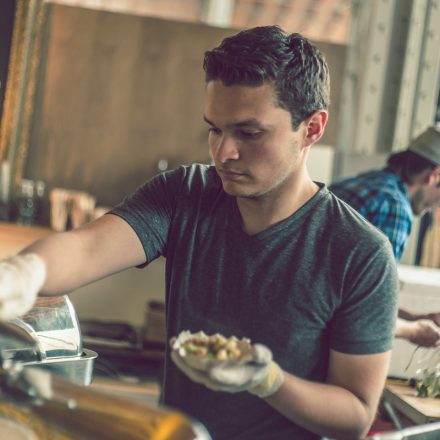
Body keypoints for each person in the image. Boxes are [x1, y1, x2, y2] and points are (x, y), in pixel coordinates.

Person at [0, 26, 398, 439]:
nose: (224, 152)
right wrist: (22, 272)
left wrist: (268, 381)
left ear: (312, 128)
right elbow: (85, 249)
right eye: (215, 129)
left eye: (249, 133)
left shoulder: (360, 253)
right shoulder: (184, 194)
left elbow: (356, 415)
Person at [330, 126, 440, 348]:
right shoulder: (395, 207)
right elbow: (369, 313)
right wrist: (415, 330)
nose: (436, 204)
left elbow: (353, 292)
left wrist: (417, 317)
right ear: (434, 175)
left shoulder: (354, 183)